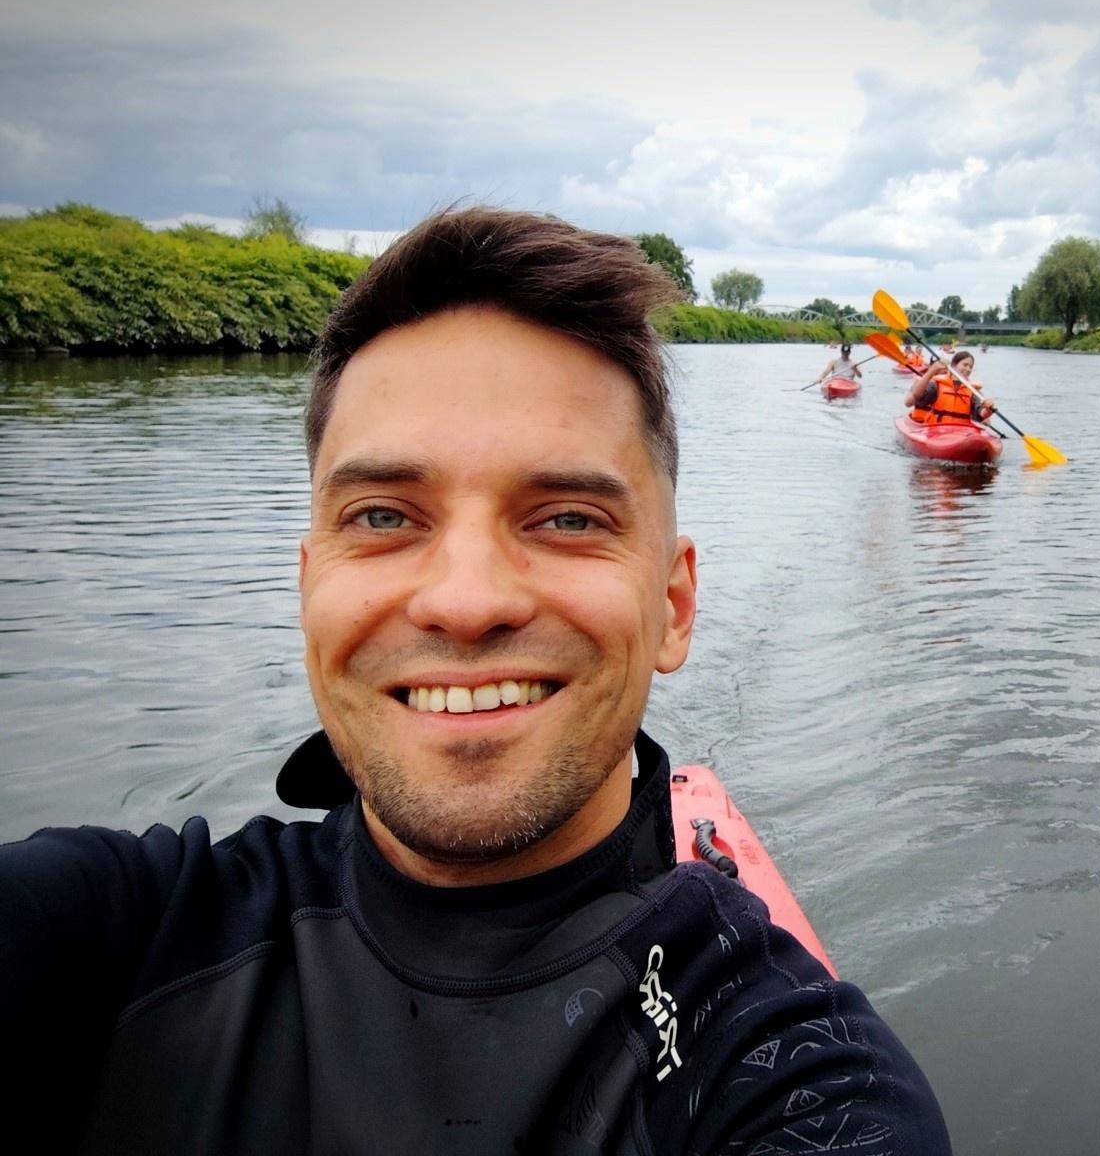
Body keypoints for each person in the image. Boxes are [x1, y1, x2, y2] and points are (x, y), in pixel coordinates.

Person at [0, 207, 952, 1153]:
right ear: (308, 592)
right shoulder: (109, 931)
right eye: (381, 517)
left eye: (568, 518)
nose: (465, 602)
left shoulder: (798, 1084)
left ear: (674, 607)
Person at [907, 349, 998, 425]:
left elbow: (981, 413)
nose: (968, 369)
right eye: (965, 365)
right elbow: (916, 396)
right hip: (937, 430)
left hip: (961, 432)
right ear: (953, 366)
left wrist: (988, 410)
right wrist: (932, 370)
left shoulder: (973, 391)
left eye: (970, 367)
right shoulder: (936, 384)